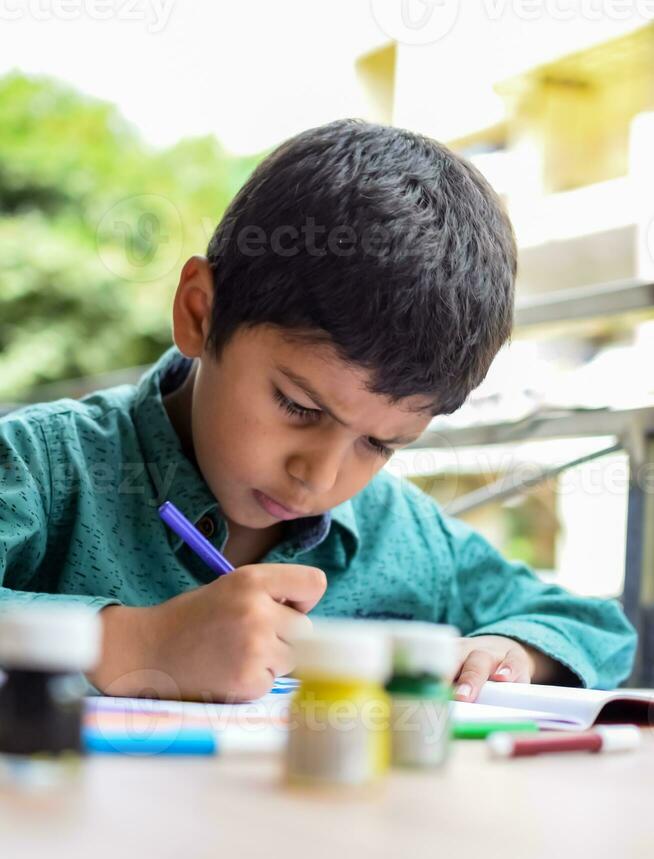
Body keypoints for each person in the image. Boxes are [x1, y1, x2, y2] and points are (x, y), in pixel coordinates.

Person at [0, 119, 636, 703]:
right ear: (200, 314)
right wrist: (135, 644)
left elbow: (594, 627)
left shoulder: (404, 535)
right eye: (297, 405)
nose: (320, 477)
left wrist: (506, 654)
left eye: (381, 445)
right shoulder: (45, 469)